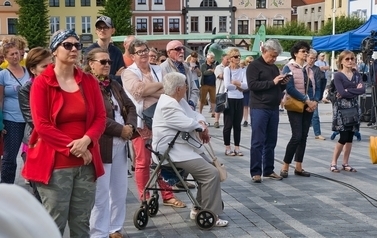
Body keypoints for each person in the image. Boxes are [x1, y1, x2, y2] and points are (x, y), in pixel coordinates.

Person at [22, 29, 107, 237]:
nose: (74, 49)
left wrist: (87, 140)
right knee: (54, 225)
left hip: (86, 162)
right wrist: (76, 148)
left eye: (77, 45)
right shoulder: (42, 83)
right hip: (55, 164)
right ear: (55, 51)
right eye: (67, 45)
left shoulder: (88, 81)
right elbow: (42, 125)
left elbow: (100, 118)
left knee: (81, 224)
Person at [152, 71, 228, 227]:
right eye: (185, 85)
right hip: (171, 152)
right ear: (179, 88)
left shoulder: (178, 101)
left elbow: (194, 115)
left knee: (210, 169)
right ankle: (210, 213)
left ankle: (198, 208)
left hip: (183, 148)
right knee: (211, 173)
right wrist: (201, 127)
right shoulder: (168, 104)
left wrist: (202, 123)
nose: (187, 87)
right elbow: (187, 123)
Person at [122, 38, 186, 207]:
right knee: (143, 161)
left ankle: (167, 195)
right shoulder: (128, 73)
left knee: (163, 158)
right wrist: (161, 87)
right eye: (139, 52)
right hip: (142, 122)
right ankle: (146, 197)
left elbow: (170, 92)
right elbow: (139, 91)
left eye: (145, 50)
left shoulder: (157, 69)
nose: (143, 54)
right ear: (132, 56)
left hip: (162, 120)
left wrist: (152, 90)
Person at [84, 48, 137, 238]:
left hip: (121, 144)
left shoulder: (113, 84)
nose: (107, 65)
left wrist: (130, 126)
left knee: (120, 190)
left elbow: (130, 106)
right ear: (91, 64)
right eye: (102, 62)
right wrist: (119, 129)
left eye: (108, 62)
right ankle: (98, 232)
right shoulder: (87, 85)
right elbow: (94, 116)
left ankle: (115, 228)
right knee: (101, 192)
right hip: (102, 145)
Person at [247, 39, 287, 183]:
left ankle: (268, 169)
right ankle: (256, 171)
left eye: (275, 56)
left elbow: (275, 87)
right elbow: (252, 85)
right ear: (264, 51)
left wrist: (282, 84)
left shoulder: (274, 68)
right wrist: (273, 82)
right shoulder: (254, 66)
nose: (273, 59)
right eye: (272, 56)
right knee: (258, 141)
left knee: (271, 140)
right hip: (259, 107)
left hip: (273, 107)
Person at [280, 42, 320, 178]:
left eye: (307, 51)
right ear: (295, 53)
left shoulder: (309, 69)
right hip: (295, 105)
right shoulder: (288, 67)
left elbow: (315, 87)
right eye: (303, 51)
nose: (305, 53)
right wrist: (306, 99)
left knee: (303, 136)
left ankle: (299, 166)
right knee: (296, 136)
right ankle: (285, 165)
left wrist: (314, 101)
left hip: (308, 106)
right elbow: (289, 88)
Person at [18, 47, 52, 200]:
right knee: (41, 193)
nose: (50, 69)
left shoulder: (60, 84)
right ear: (33, 69)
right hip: (37, 142)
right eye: (45, 66)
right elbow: (34, 120)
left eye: (52, 65)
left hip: (58, 142)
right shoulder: (26, 89)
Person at [330, 50, 365, 173]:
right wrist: (354, 89)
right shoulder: (338, 75)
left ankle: (345, 162)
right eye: (347, 59)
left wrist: (348, 90)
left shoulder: (357, 74)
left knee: (350, 136)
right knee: (343, 136)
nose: (350, 61)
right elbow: (341, 92)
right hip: (342, 108)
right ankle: (334, 162)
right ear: (341, 61)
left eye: (352, 58)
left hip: (354, 107)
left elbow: (362, 90)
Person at [0, 40, 30, 184]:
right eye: (11, 54)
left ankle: (36, 191)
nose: (15, 56)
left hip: (29, 120)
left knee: (33, 156)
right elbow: (0, 100)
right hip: (11, 120)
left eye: (17, 53)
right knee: (10, 158)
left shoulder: (28, 72)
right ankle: (7, 191)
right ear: (5, 57)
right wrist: (0, 123)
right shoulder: (3, 75)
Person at [84, 16, 125, 86]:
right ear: (96, 31)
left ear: (113, 30)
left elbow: (123, 76)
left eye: (106, 27)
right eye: (99, 28)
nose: (102, 30)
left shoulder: (117, 52)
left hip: (112, 90)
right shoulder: (90, 51)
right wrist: (114, 77)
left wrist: (109, 77)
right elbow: (88, 75)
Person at [160, 40, 199, 110]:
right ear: (169, 53)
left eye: (183, 48)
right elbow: (164, 92)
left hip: (189, 109)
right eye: (178, 49)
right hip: (173, 110)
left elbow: (194, 89)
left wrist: (191, 103)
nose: (182, 51)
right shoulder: (162, 68)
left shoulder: (186, 67)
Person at [223, 48, 248, 156]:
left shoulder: (243, 70)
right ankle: (227, 147)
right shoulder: (227, 70)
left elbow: (246, 86)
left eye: (239, 56)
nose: (238, 58)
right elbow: (227, 85)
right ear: (230, 59)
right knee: (228, 124)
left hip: (240, 98)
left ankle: (237, 147)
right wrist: (239, 85)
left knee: (237, 124)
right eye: (236, 56)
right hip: (229, 98)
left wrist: (236, 83)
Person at [307, 49, 326, 140]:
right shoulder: (302, 68)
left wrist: (317, 98)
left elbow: (319, 84)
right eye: (311, 58)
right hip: (303, 95)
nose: (312, 60)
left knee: (315, 115)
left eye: (314, 59)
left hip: (313, 95)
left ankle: (317, 133)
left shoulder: (316, 69)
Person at [214, 54, 229, 128]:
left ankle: (227, 122)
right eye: (227, 59)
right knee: (219, 106)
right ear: (222, 59)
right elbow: (220, 76)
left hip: (229, 90)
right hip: (221, 89)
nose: (228, 60)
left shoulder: (230, 67)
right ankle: (216, 121)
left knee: (227, 107)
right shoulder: (218, 67)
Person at [199, 52, 217, 116]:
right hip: (205, 84)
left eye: (213, 58)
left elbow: (216, 72)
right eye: (211, 58)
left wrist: (211, 70)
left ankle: (213, 112)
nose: (213, 59)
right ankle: (200, 112)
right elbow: (204, 73)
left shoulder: (214, 65)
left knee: (213, 99)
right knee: (202, 99)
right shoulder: (203, 65)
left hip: (213, 84)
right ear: (207, 58)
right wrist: (211, 71)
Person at [242, 56, 253, 127]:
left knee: (251, 106)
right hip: (245, 89)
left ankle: (252, 120)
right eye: (248, 62)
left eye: (251, 62)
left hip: (252, 89)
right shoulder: (243, 70)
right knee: (245, 106)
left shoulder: (254, 69)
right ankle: (245, 120)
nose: (250, 63)